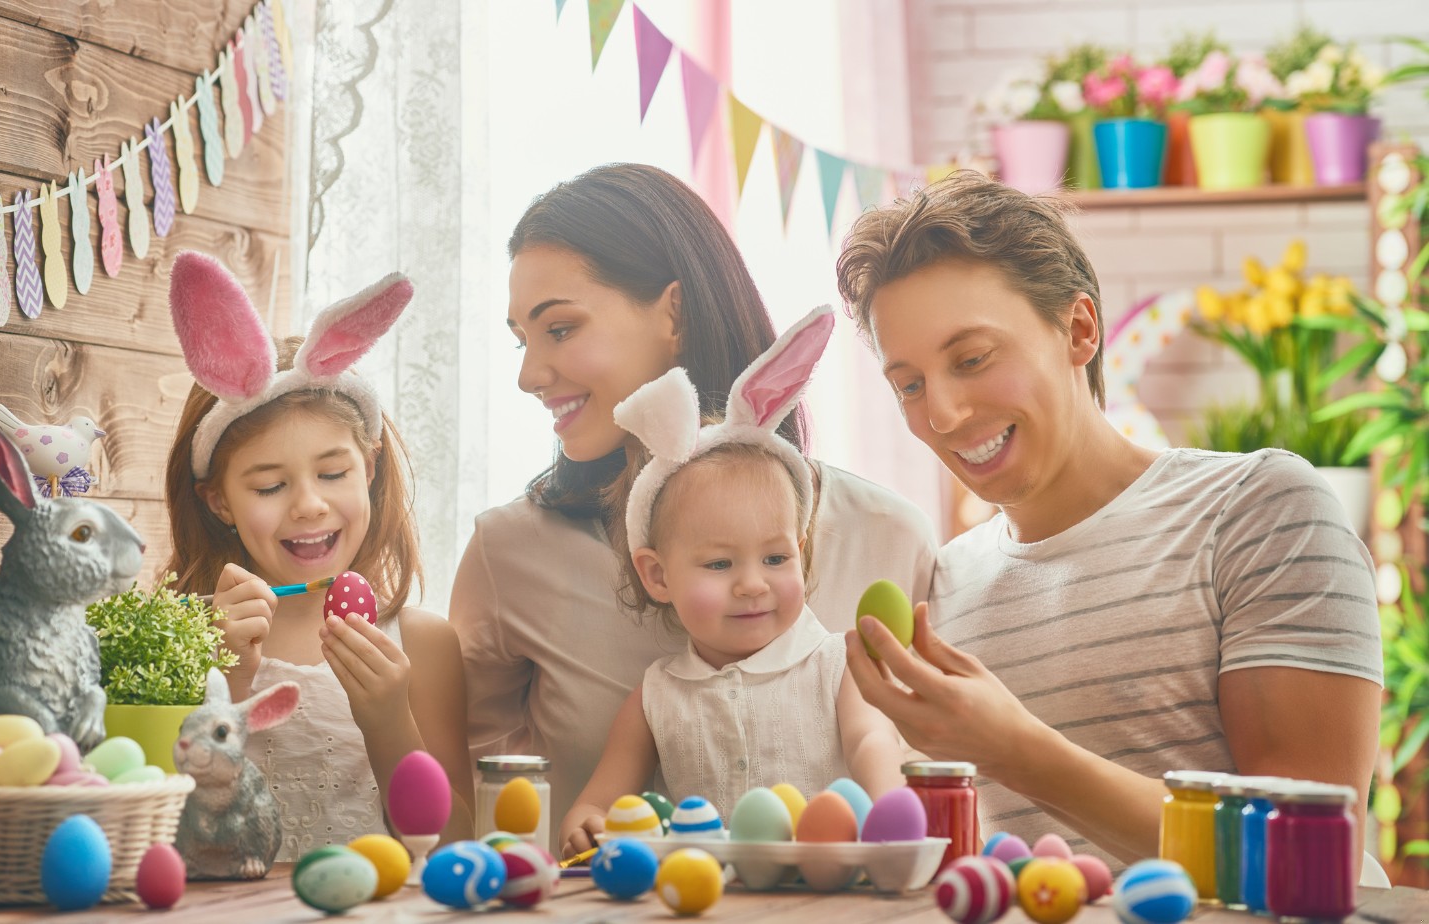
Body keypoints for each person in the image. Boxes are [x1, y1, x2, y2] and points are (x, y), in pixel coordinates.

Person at [834, 171, 1383, 865]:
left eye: (972, 359)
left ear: (1080, 329)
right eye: (909, 385)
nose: (941, 414)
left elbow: (1304, 857)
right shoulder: (941, 585)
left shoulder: (1259, 510)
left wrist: (1014, 750)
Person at [450, 164, 937, 847]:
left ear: (673, 313)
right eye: (521, 340)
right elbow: (465, 816)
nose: (529, 375)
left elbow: (942, 785)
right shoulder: (510, 554)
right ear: (651, 570)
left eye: (558, 330)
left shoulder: (888, 536)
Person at [558, 308, 906, 857]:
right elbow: (601, 801)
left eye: (775, 558)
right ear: (657, 575)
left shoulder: (840, 664)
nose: (751, 585)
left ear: (802, 553)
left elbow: (871, 738)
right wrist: (586, 820)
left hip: (824, 897)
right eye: (719, 565)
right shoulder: (657, 695)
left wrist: (888, 801)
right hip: (700, 902)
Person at [161, 251, 473, 858]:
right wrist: (221, 681)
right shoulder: (182, 637)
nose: (308, 505)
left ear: (371, 468)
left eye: (332, 472)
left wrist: (388, 722)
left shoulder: (424, 645)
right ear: (219, 501)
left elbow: (454, 849)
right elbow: (145, 826)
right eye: (269, 487)